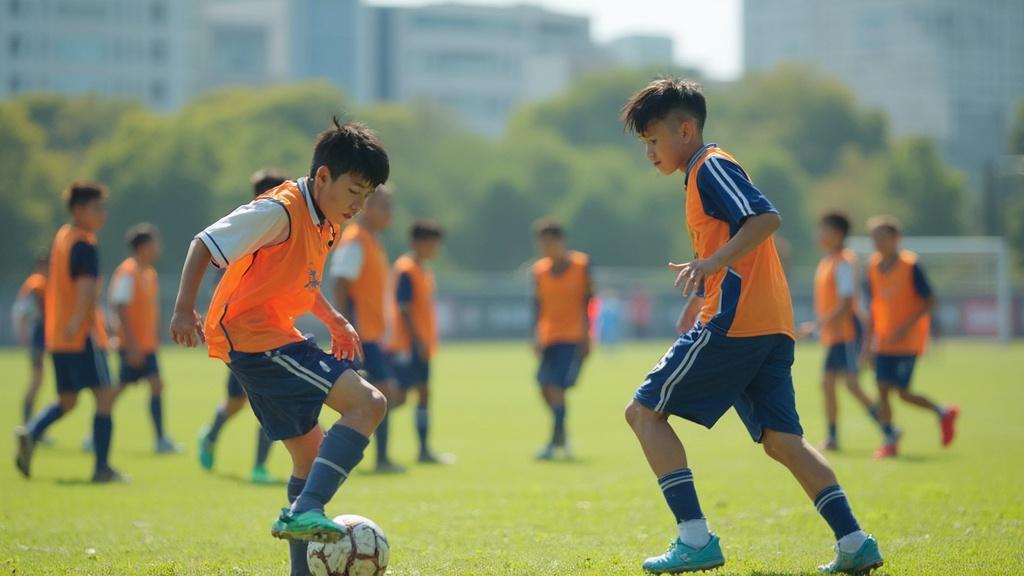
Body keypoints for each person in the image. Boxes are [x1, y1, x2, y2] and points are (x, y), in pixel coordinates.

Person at [620, 77, 882, 574]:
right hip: (768, 325)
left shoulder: (708, 166)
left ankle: (694, 539)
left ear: (686, 129)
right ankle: (854, 542)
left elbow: (764, 219)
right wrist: (700, 287)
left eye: (654, 140)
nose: (649, 151)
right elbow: (730, 248)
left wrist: (710, 264)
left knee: (643, 413)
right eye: (645, 143)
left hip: (736, 325)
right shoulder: (702, 172)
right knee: (783, 441)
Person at [171, 120, 389, 576]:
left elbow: (303, 283)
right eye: (354, 190)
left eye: (367, 196)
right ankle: (304, 508)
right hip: (258, 338)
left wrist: (334, 319)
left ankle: (300, 567)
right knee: (368, 404)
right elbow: (204, 243)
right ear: (324, 176)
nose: (359, 204)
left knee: (309, 457)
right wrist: (182, 308)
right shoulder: (280, 209)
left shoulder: (325, 222)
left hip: (263, 339)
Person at [16, 181, 124, 483]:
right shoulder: (84, 243)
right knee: (104, 397)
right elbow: (86, 288)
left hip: (57, 335)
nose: (102, 214)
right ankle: (102, 469)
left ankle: (31, 432)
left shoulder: (62, 237)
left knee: (67, 400)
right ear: (78, 210)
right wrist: (79, 321)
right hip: (82, 334)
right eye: (96, 208)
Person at [197, 168, 288, 484]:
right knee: (238, 402)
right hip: (240, 336)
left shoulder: (281, 235)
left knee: (273, 398)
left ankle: (259, 467)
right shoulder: (241, 233)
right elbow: (218, 283)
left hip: (271, 332)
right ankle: (210, 434)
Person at [862, 215, 959, 459]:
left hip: (907, 341)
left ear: (897, 239)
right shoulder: (872, 266)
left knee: (903, 393)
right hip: (884, 341)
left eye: (883, 236)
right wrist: (868, 342)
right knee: (882, 390)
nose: (878, 242)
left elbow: (930, 301)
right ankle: (889, 440)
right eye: (874, 237)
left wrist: (906, 327)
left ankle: (943, 412)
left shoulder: (911, 265)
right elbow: (874, 305)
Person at [329, 186, 402, 472]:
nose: (389, 212)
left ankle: (374, 457)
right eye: (384, 206)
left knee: (382, 396)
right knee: (379, 396)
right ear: (366, 207)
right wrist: (345, 327)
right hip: (359, 335)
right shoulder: (356, 239)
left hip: (371, 335)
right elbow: (340, 283)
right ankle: (358, 454)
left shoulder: (373, 241)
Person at [798, 212, 882, 451]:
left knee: (851, 385)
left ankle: (888, 428)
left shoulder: (845, 261)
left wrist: (816, 325)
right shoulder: (829, 262)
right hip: (835, 335)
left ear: (837, 233)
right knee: (828, 383)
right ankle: (833, 437)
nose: (818, 235)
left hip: (846, 333)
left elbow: (846, 303)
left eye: (822, 229)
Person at [109, 223, 180, 453]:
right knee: (118, 389)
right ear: (143, 246)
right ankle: (94, 433)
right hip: (132, 345)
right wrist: (131, 345)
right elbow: (119, 307)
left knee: (155, 385)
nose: (158, 247)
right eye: (154, 242)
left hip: (147, 345)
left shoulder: (149, 273)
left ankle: (160, 440)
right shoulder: (127, 272)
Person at [390, 219, 453, 464]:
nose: (436, 249)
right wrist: (417, 340)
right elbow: (404, 309)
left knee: (422, 394)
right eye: (433, 243)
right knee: (398, 397)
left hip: (419, 345)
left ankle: (424, 450)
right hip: (407, 346)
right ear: (419, 242)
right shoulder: (406, 269)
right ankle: (359, 422)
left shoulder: (423, 270)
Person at [531, 218, 592, 460]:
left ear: (561, 242)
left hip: (573, 336)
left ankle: (554, 443)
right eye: (542, 244)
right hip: (548, 336)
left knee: (556, 387)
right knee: (544, 387)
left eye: (550, 243)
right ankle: (561, 434)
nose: (547, 249)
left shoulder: (581, 265)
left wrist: (588, 336)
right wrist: (536, 335)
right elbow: (537, 306)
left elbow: (589, 302)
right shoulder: (539, 271)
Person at [13, 255, 48, 427]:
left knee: (40, 381)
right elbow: (23, 312)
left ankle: (33, 424)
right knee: (36, 380)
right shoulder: (36, 284)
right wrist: (24, 337)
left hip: (44, 336)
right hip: (38, 336)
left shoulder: (46, 283)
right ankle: (28, 425)